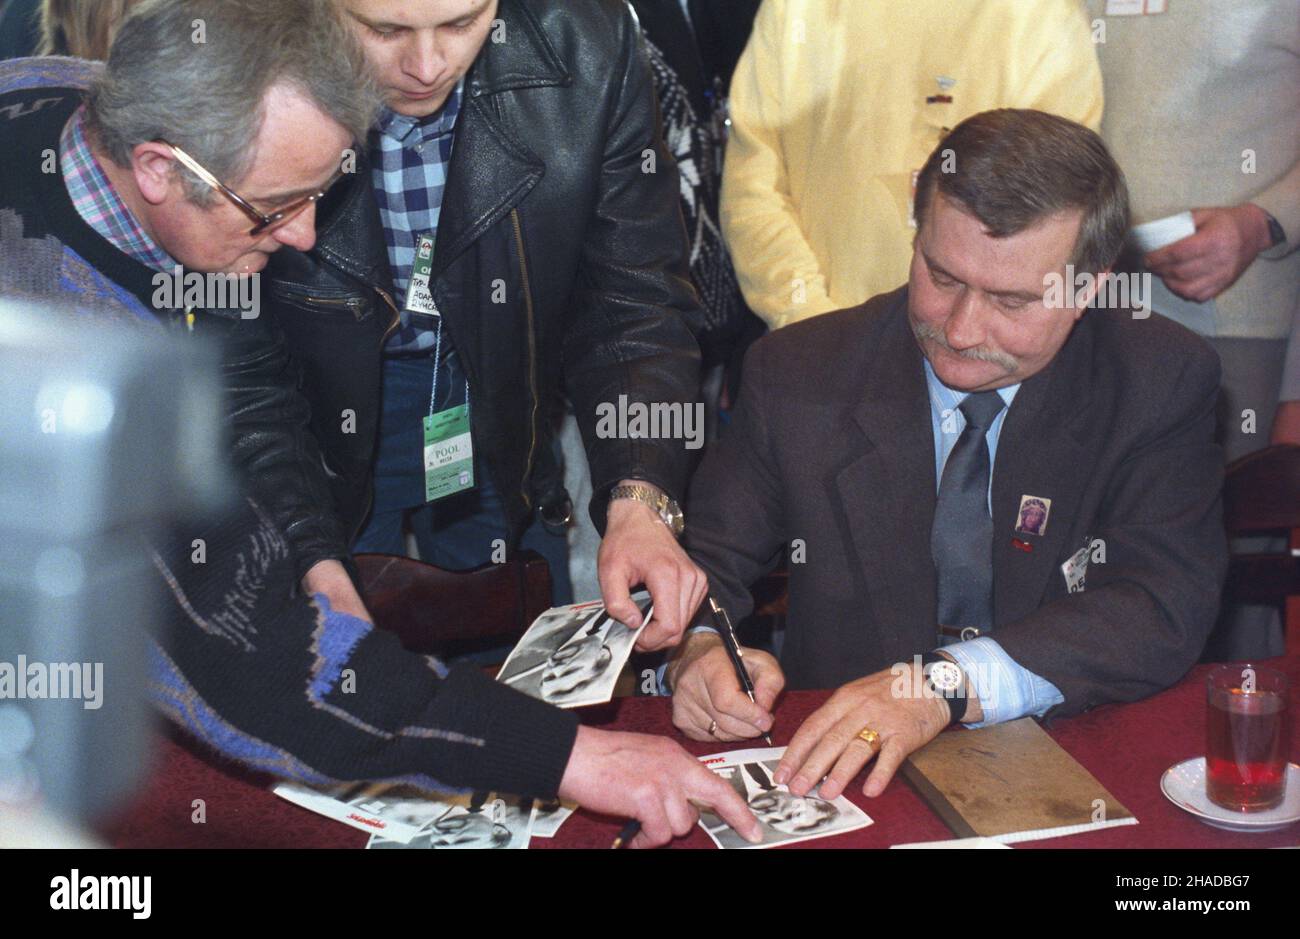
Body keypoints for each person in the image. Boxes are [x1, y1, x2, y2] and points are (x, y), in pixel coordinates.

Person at [0, 0, 758, 849]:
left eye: (319, 196)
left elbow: (635, 302)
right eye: (274, 208)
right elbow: (261, 670)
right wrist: (577, 759)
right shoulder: (62, 364)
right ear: (157, 169)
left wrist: (641, 495)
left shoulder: (62, 96)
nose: (303, 235)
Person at [667, 110, 1227, 802]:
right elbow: (702, 568)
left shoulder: (1159, 381)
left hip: (1075, 756)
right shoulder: (798, 374)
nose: (961, 329)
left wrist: (940, 685)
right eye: (942, 275)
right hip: (852, 784)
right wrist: (695, 651)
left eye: (1011, 300)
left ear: (1087, 290)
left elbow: (1160, 602)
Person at [263, 0, 710, 646]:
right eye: (385, 30)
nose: (426, 65)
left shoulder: (589, 40)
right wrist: (301, 543)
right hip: (306, 407)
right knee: (332, 668)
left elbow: (633, 301)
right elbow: (224, 343)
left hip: (499, 392)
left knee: (509, 649)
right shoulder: (241, 44)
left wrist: (641, 496)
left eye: (460, 23)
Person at [1084, 0, 1299, 657]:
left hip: (1232, 322)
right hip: (1080, 311)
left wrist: (1261, 219)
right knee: (1086, 564)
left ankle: (1237, 751)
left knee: (1222, 581)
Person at [720, 0, 1103, 331]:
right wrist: (808, 316)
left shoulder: (1044, 15)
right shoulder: (798, 9)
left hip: (976, 355)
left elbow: (1052, 214)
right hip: (813, 349)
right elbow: (754, 182)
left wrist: (965, 328)